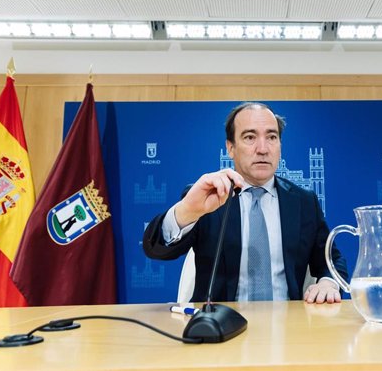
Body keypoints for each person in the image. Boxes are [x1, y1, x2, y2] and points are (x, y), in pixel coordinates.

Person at [143, 102, 348, 304]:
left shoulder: (303, 201)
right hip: (221, 325)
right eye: (250, 137)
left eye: (271, 137)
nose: (263, 149)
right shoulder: (208, 196)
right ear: (230, 148)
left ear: (280, 146)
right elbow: (156, 249)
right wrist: (187, 210)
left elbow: (331, 260)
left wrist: (328, 283)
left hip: (289, 326)